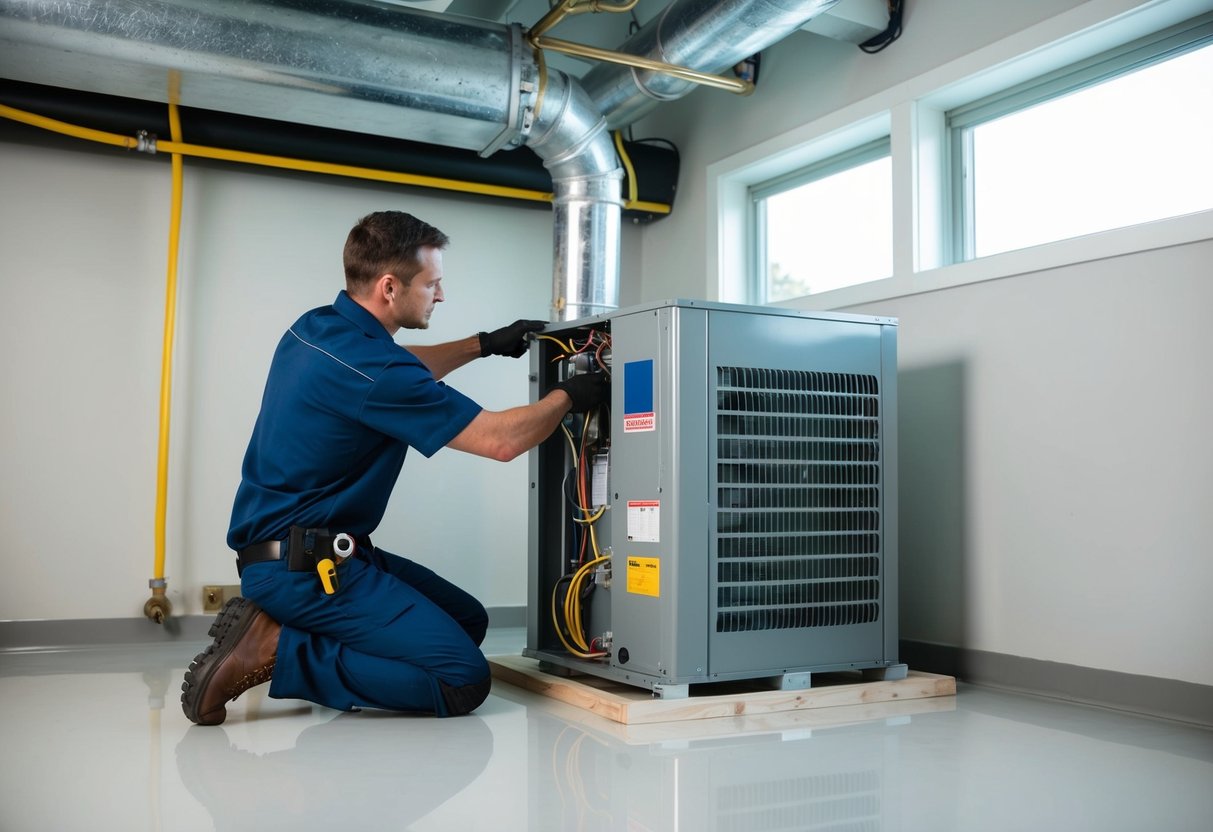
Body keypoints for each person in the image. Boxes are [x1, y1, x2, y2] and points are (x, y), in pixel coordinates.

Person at [181, 210, 608, 725]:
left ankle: (297, 637)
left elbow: (403, 367)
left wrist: (485, 345)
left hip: (298, 554)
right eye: (433, 283)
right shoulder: (378, 372)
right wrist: (570, 394)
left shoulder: (317, 327)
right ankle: (278, 647)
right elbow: (501, 440)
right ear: (389, 286)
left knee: (465, 621)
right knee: (462, 680)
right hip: (308, 571)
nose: (441, 295)